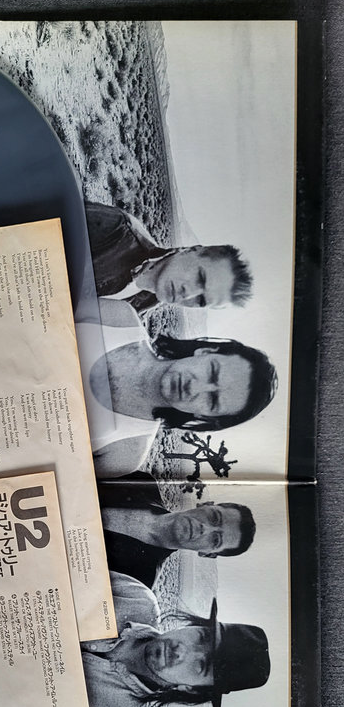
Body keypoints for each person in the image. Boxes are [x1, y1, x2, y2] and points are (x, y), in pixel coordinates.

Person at [74, 299, 278, 478]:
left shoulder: (125, 453)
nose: (194, 387)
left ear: (206, 416)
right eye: (211, 372)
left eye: (212, 400)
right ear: (205, 351)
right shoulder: (117, 319)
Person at [82, 574, 271, 707]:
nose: (180, 651)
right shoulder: (136, 600)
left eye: (200, 665)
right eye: (201, 637)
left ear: (190, 689)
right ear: (196, 626)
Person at [84, 201, 253, 311]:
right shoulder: (117, 229)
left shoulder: (146, 303)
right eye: (200, 278)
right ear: (192, 250)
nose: (188, 294)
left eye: (201, 300)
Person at [98, 472, 256, 588]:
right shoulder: (142, 483)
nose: (204, 528)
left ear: (207, 554)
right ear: (206, 504)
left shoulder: (142, 579)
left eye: (215, 539)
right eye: (214, 517)